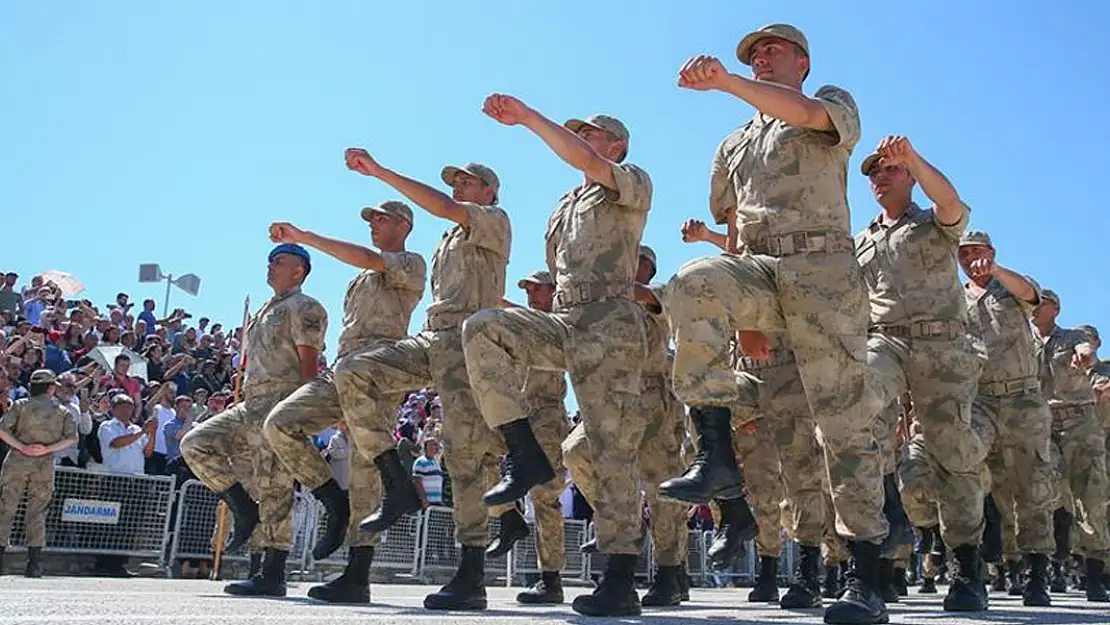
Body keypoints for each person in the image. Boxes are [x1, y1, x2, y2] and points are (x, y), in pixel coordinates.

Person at [654, 24, 885, 624]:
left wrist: (727, 82)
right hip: (759, 269)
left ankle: (863, 570)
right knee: (691, 283)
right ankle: (716, 453)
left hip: (822, 270)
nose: (761, 57)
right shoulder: (732, 144)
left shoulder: (830, 102)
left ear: (802, 62)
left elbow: (806, 114)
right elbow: (731, 228)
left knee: (841, 426)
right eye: (753, 54)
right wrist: (740, 320)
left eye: (772, 50)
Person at [463, 95, 651, 617]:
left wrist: (527, 119)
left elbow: (588, 162)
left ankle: (619, 577)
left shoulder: (629, 181)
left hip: (610, 322)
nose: (586, 140)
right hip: (564, 319)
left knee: (608, 450)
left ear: (616, 145)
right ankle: (523, 452)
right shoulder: (566, 204)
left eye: (594, 134)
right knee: (483, 328)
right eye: (582, 133)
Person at [342, 148, 512, 611]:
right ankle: (397, 482)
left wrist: (379, 170)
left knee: (463, 454)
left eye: (468, 181)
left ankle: (471, 570)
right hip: (434, 339)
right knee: (354, 371)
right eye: (455, 181)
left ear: (489, 192)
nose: (459, 186)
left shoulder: (494, 220)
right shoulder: (447, 239)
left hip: (467, 342)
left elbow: (444, 207)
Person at [262, 201, 426, 604]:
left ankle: (358, 573)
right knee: (279, 424)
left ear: (404, 226)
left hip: (379, 367)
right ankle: (333, 501)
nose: (374, 225)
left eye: (382, 219)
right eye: (371, 220)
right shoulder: (360, 279)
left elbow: (371, 258)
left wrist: (303, 237)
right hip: (343, 368)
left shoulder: (410, 262)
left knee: (364, 469)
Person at [855, 134, 988, 612]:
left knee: (952, 453)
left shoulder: (934, 223)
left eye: (890, 168)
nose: (880, 176)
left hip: (941, 343)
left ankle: (968, 568)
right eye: (874, 172)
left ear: (910, 177)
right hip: (885, 340)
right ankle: (868, 562)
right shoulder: (862, 241)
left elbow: (951, 201)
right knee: (857, 411)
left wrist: (912, 156)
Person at [180, 243, 327, 598]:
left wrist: (301, 412)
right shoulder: (265, 309)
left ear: (299, 270)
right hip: (251, 402)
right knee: (195, 443)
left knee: (274, 487)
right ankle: (243, 509)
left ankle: (271, 571)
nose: (271, 265)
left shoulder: (305, 307)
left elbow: (310, 366)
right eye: (270, 260)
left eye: (280, 261)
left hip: (280, 403)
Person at [957, 230, 1055, 606]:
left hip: (1022, 399)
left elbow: (1032, 292)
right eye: (964, 254)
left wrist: (996, 269)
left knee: (1032, 487)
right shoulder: (954, 298)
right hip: (979, 401)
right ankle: (968, 568)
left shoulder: (1011, 289)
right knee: (962, 468)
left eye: (977, 252)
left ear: (992, 252)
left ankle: (1036, 573)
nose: (971, 259)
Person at [1031, 289, 1110, 602]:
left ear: (1056, 308)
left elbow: (1084, 346)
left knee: (1090, 495)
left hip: (1080, 423)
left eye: (1042, 303)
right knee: (1040, 491)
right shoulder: (1020, 342)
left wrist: (1086, 355)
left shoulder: (1072, 336)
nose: (1034, 308)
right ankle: (1040, 569)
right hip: (1041, 423)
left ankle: (1094, 574)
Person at [0, 369, 78, 577]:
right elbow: (72, 438)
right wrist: (46, 449)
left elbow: (2, 430)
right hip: (43, 463)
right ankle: (34, 564)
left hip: (17, 460)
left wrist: (21, 446)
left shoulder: (20, 406)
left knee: (6, 508)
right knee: (38, 512)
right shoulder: (62, 411)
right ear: (51, 387)